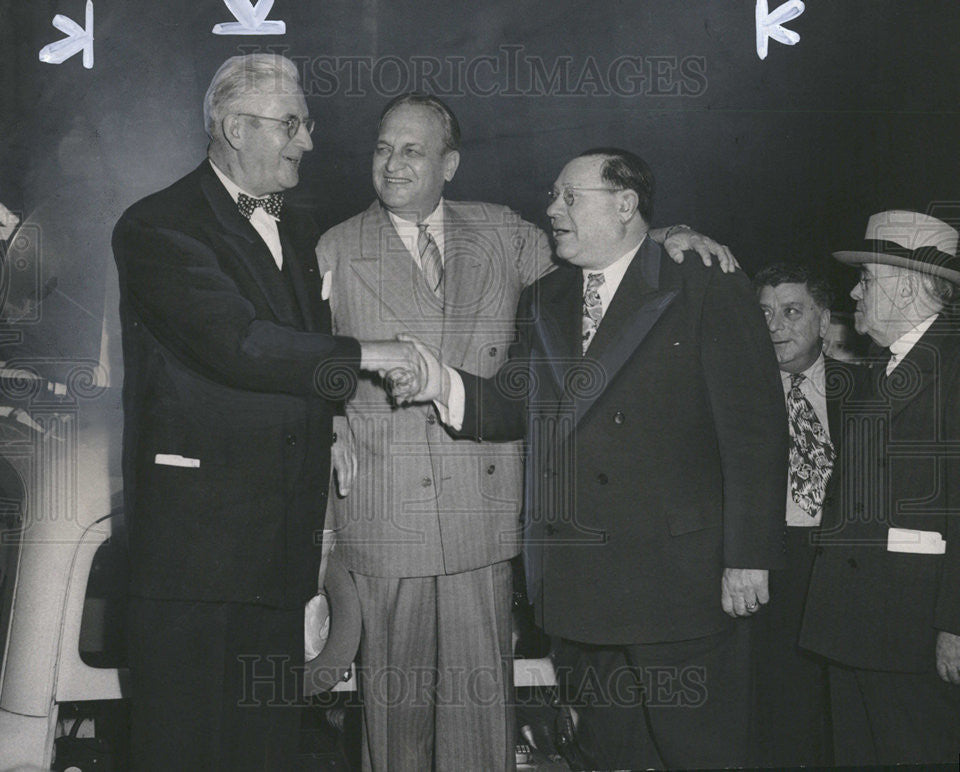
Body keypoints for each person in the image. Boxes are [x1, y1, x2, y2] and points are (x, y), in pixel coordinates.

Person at [315, 96, 736, 771]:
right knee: (393, 722)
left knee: (481, 720)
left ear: (449, 164)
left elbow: (604, 260)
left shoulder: (504, 232)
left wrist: (668, 236)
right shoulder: (333, 246)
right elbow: (303, 363)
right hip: (388, 519)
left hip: (483, 515)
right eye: (383, 148)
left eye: (413, 150)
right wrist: (326, 426)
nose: (393, 163)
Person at [400, 147, 788, 769]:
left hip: (679, 585)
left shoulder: (704, 284)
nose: (552, 209)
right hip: (581, 589)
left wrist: (748, 557)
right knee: (607, 754)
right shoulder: (544, 297)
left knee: (699, 751)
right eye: (554, 196)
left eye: (569, 196)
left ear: (626, 204)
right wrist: (438, 383)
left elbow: (756, 434)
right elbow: (510, 403)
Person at [112, 54, 423, 770]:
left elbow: (298, 356)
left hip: (276, 552)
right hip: (197, 556)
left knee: (263, 748)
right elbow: (242, 344)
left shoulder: (292, 219)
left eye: (304, 124)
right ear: (230, 128)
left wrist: (336, 421)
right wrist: (370, 354)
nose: (307, 142)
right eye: (291, 125)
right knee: (186, 747)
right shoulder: (158, 226)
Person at [799, 210, 960, 765]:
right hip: (856, 623)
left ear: (911, 287)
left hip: (914, 632)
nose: (854, 290)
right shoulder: (887, 366)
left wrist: (955, 624)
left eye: (867, 278)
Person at [751, 262, 867, 766]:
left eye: (792, 311)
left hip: (842, 564)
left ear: (824, 322)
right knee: (776, 707)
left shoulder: (867, 390)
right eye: (766, 313)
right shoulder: (737, 395)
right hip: (766, 565)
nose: (776, 325)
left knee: (840, 711)